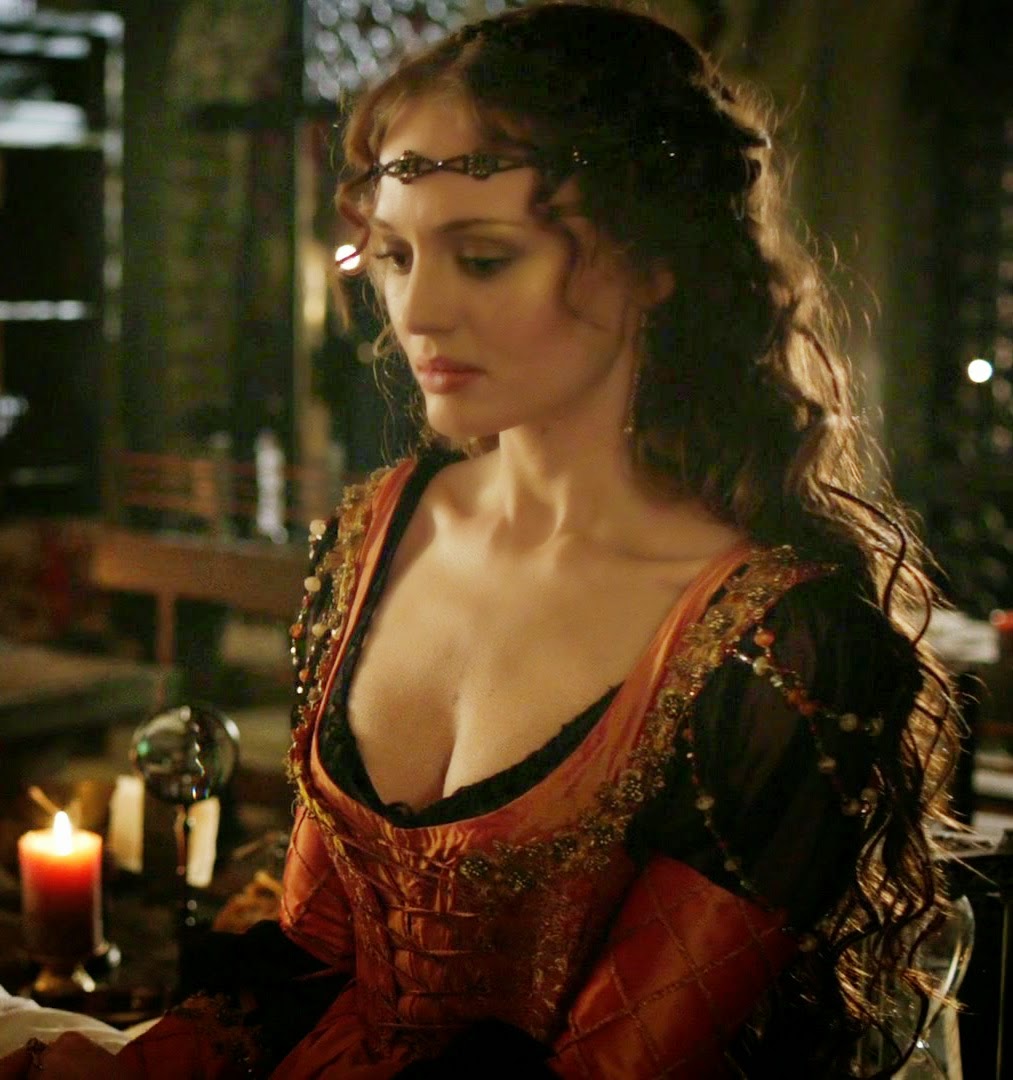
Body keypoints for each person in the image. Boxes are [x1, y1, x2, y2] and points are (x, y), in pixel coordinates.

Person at [0, 2, 960, 1077]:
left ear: (654, 261)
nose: (417, 313)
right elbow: (309, 954)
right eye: (396, 254)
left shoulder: (779, 648)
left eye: (485, 258)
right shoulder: (374, 533)